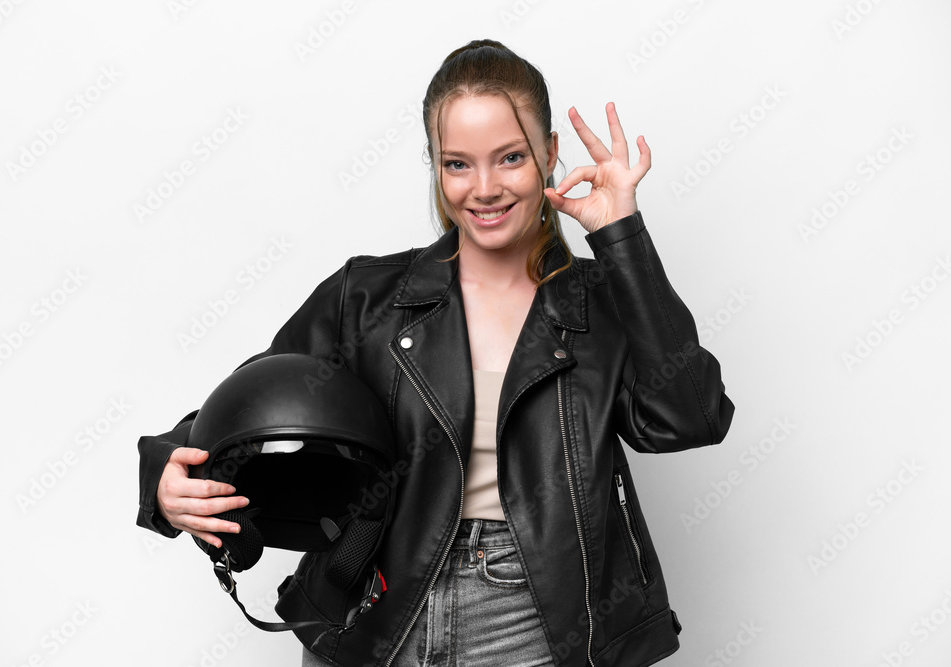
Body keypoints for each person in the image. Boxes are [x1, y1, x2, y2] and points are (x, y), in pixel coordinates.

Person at [136, 38, 734, 667]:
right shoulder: (364, 297)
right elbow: (249, 404)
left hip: (533, 613)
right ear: (434, 163)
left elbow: (691, 418)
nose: (484, 188)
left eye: (510, 157)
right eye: (457, 164)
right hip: (373, 595)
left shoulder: (603, 306)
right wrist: (170, 473)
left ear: (550, 154)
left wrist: (622, 239)